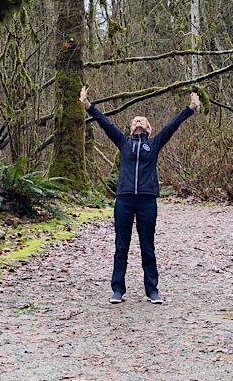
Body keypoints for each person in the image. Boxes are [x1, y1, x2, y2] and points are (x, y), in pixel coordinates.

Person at [80, 86, 201, 304]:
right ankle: (117, 289)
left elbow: (172, 126)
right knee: (121, 246)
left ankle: (152, 290)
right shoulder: (123, 142)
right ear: (130, 128)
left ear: (148, 128)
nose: (138, 121)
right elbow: (105, 123)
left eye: (142, 120)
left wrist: (191, 107)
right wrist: (88, 105)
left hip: (147, 199)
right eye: (135, 120)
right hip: (124, 199)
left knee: (147, 246)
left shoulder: (153, 144)